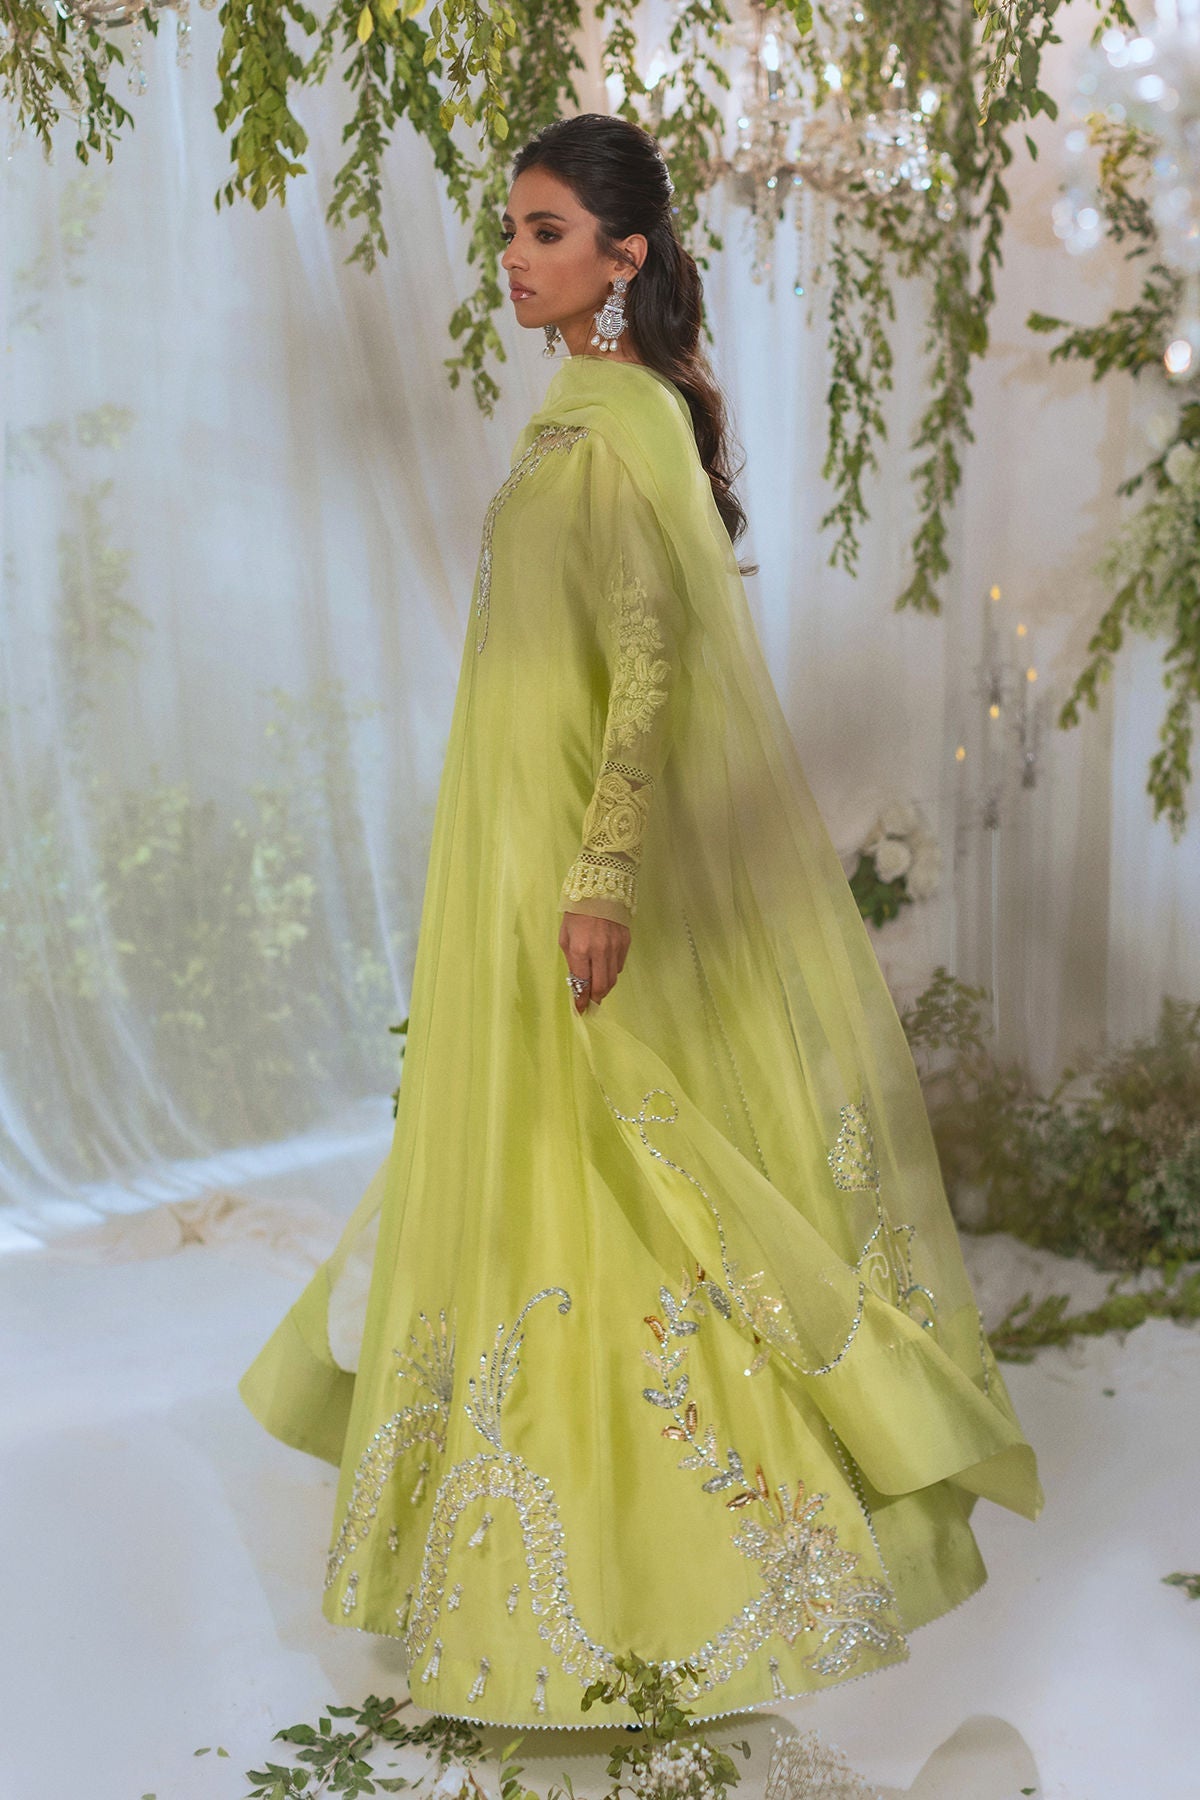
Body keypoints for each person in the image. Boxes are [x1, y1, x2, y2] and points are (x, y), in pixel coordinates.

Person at [238, 112, 1043, 1731]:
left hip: (571, 870)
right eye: (510, 228)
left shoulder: (628, 424)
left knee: (630, 1178)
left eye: (546, 231)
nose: (514, 257)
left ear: (627, 256)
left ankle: (675, 1581)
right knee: (541, 1172)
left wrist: (602, 876)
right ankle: (531, 1572)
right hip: (510, 852)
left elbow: (654, 661)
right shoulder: (571, 417)